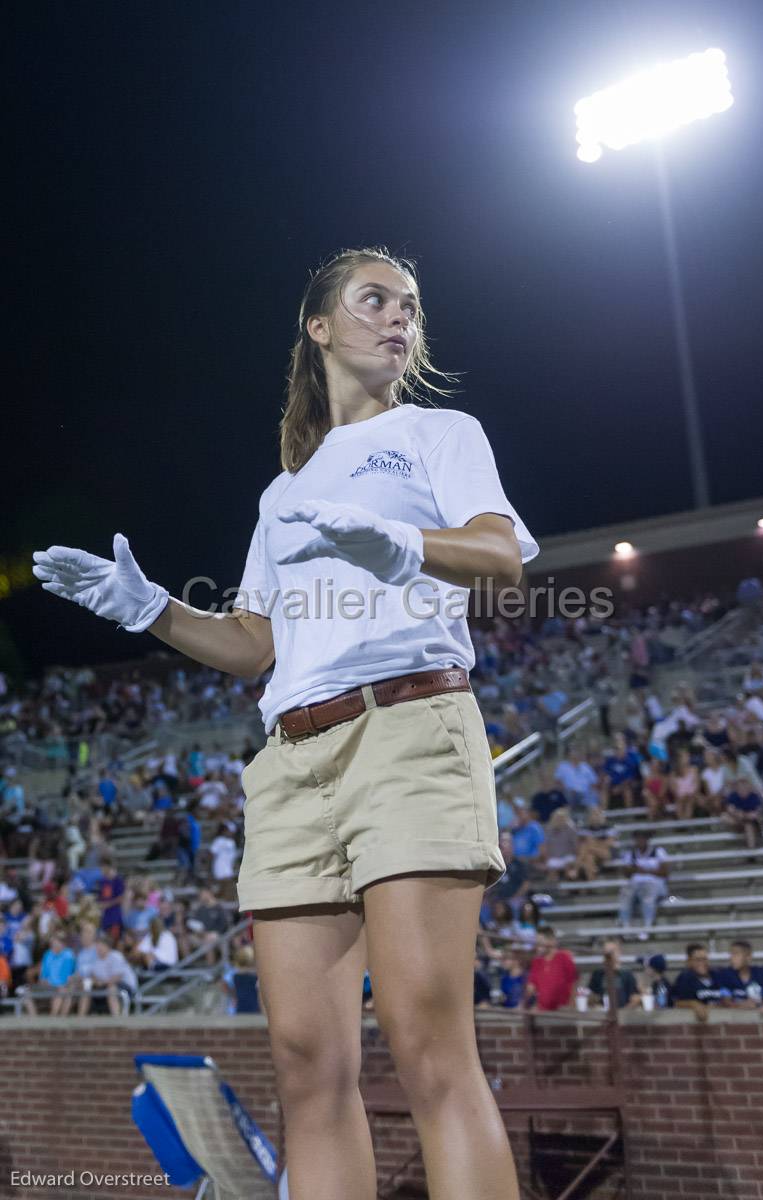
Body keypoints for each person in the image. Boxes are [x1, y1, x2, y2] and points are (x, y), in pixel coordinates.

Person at [33, 247, 541, 1200]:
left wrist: (397, 542)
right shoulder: (284, 492)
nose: (400, 317)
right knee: (308, 1070)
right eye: (375, 300)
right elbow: (254, 644)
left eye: (410, 306)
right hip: (291, 762)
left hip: (408, 729)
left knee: (429, 1048)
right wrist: (145, 610)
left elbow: (500, 554)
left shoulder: (439, 432)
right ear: (318, 327)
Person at [617, 831, 669, 938]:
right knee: (624, 894)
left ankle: (647, 927)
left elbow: (664, 872)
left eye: (642, 838)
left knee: (648, 897)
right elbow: (626, 872)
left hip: (654, 884)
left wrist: (644, 870)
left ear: (647, 839)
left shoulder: (658, 851)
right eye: (637, 838)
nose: (640, 841)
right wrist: (649, 870)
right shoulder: (630, 853)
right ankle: (626, 928)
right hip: (636, 885)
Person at [523, 926, 577, 1012]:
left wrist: (571, 1007)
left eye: (540, 941)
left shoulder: (564, 958)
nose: (537, 945)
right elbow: (531, 988)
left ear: (551, 941)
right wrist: (522, 1005)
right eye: (536, 942)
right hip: (543, 1011)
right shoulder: (536, 962)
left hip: (562, 1010)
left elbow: (573, 983)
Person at [717, 940, 763, 1015]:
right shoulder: (725, 975)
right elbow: (725, 1002)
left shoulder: (762, 974)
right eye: (731, 954)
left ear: (748, 957)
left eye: (736, 954)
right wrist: (741, 1005)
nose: (731, 958)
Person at [673, 943, 725, 1022]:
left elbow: (728, 996)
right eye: (698, 960)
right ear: (689, 961)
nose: (702, 963)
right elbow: (677, 1003)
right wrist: (694, 1004)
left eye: (705, 959)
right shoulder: (685, 978)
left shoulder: (717, 975)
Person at [587, 939, 640, 1010]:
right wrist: (595, 1002)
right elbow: (591, 997)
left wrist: (623, 1012)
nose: (608, 955)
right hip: (602, 1013)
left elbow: (635, 998)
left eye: (611, 952)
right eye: (606, 952)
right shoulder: (597, 974)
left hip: (623, 1013)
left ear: (618, 953)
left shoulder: (627, 974)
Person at [722, 775, 763, 850]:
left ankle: (751, 851)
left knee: (748, 826)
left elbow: (757, 813)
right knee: (724, 817)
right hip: (738, 821)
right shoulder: (733, 796)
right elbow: (730, 809)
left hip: (751, 823)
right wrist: (739, 814)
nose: (742, 787)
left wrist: (744, 815)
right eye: (740, 786)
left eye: (744, 785)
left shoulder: (754, 796)